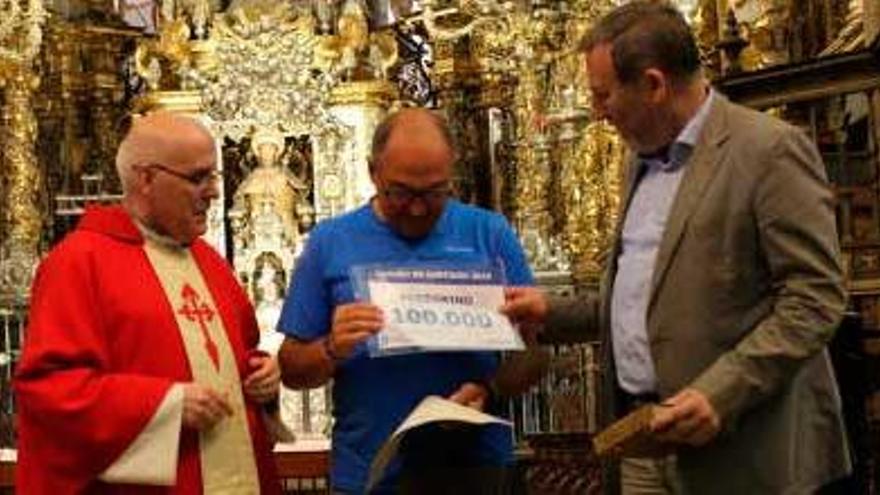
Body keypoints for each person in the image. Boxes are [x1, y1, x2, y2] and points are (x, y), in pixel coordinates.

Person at [502, 2, 850, 494]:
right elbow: (659, 297)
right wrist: (553, 314)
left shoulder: (767, 151)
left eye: (603, 96)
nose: (597, 112)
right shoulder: (639, 161)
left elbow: (814, 299)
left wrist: (720, 393)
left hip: (743, 450)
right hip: (645, 441)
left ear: (653, 85)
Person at [276, 108, 541, 493]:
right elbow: (292, 370)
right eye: (400, 192)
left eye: (434, 192)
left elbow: (535, 353)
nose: (417, 207)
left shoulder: (489, 233)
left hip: (475, 469)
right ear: (372, 172)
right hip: (369, 473)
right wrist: (332, 347)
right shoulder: (330, 242)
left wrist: (491, 389)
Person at [15, 112, 282, 494]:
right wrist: (164, 404)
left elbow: (235, 357)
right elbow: (50, 389)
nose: (214, 192)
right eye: (197, 177)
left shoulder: (210, 264)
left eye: (214, 176)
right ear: (145, 178)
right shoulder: (79, 262)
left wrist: (262, 380)